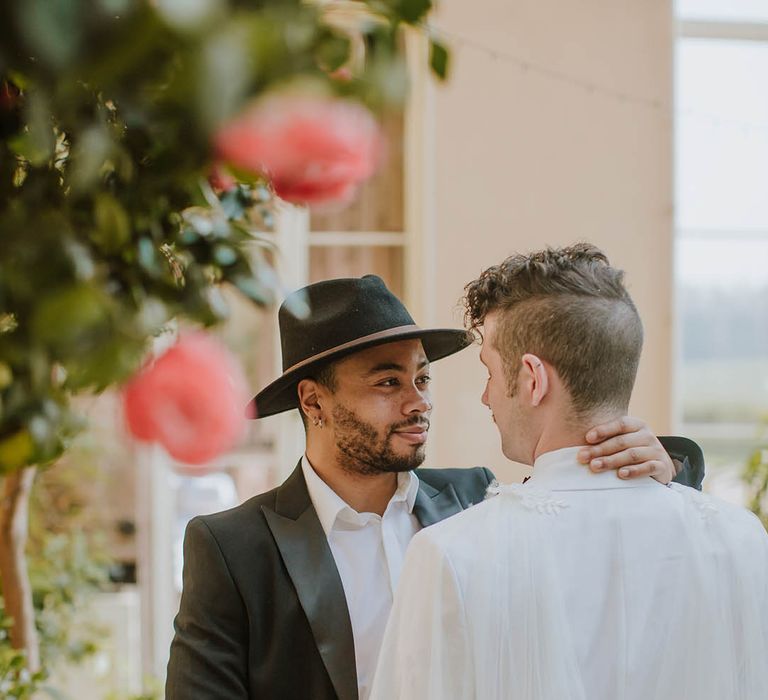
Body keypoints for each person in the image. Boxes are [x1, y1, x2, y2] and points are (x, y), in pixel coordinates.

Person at [165, 274, 704, 700]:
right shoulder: (231, 549)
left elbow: (602, 542)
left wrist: (665, 467)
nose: (419, 401)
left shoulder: (480, 498)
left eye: (422, 378)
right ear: (313, 401)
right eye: (387, 383)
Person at [370, 246, 768, 700]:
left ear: (532, 379)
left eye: (490, 374)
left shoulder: (451, 553)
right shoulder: (742, 538)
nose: (486, 398)